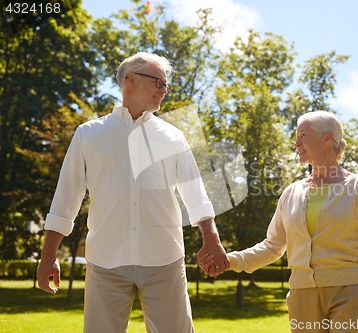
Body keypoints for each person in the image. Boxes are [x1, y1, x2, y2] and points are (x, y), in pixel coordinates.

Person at [37, 52, 229, 333]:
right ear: (131, 80)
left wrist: (211, 240)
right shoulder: (88, 134)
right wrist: (48, 256)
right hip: (105, 261)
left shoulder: (173, 136)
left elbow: (195, 193)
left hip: (165, 259)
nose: (164, 91)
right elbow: (66, 198)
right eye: (159, 83)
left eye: (166, 85)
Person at [200, 111, 358, 333]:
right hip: (302, 295)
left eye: (303, 135)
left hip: (353, 293)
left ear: (327, 138)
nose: (296, 143)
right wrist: (230, 261)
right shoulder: (291, 192)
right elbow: (272, 246)